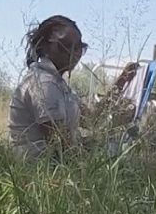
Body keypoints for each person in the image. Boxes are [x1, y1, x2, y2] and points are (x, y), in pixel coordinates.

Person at [8, 15, 136, 160]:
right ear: (44, 46)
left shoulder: (58, 84)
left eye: (79, 48)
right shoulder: (44, 83)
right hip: (40, 172)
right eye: (66, 45)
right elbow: (60, 144)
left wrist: (122, 81)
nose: (74, 53)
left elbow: (93, 119)